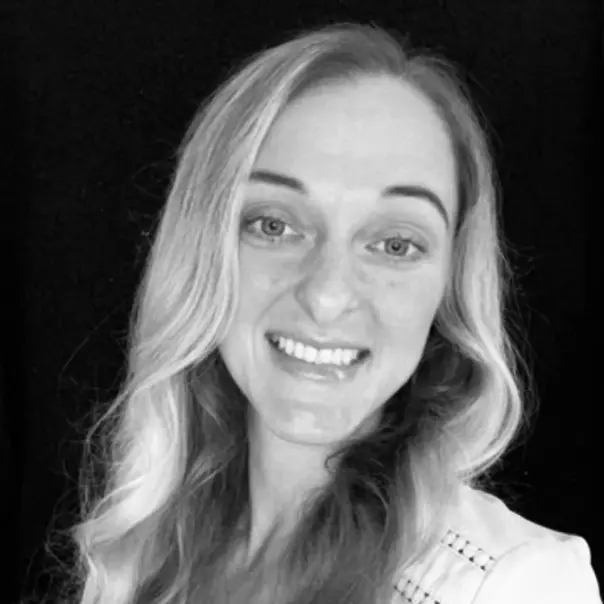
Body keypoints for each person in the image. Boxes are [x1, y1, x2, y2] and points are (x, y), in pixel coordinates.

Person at [66, 22, 601, 604]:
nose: (326, 295)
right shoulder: (142, 545)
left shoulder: (513, 584)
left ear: (449, 288)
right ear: (202, 249)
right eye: (274, 225)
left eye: (395, 244)